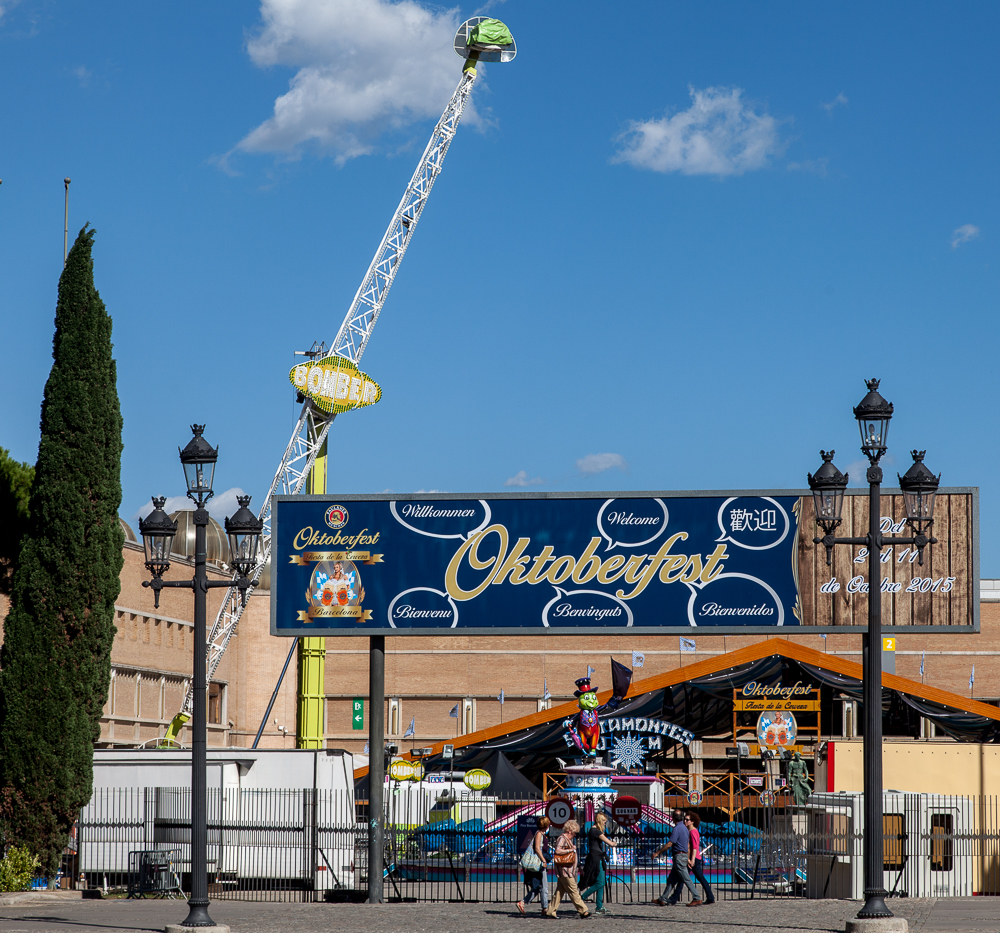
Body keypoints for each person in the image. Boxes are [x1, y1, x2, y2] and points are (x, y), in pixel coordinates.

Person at [651, 809, 699, 906]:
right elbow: (688, 844)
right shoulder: (685, 828)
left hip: (679, 856)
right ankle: (663, 898)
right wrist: (688, 858)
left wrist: (657, 853)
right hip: (683, 855)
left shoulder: (677, 829)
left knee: (686, 878)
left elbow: (670, 843)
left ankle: (697, 897)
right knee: (671, 879)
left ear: (672, 818)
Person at [545, 819, 589, 919]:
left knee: (559, 892)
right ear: (570, 831)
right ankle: (583, 911)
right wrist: (570, 849)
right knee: (573, 890)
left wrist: (578, 867)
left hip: (566, 870)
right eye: (574, 833)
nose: (575, 835)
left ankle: (551, 911)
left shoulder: (568, 839)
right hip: (565, 870)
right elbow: (557, 850)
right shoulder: (563, 838)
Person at [580, 812, 617, 916]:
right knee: (600, 883)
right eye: (604, 822)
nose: (605, 824)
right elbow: (609, 842)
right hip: (596, 859)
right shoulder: (595, 831)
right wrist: (615, 843)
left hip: (597, 857)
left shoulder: (594, 830)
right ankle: (581, 898)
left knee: (601, 882)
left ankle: (599, 906)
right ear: (600, 821)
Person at [517, 815, 551, 916]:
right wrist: (543, 860)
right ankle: (545, 908)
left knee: (538, 886)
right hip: (539, 863)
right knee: (544, 886)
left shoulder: (542, 834)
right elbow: (537, 848)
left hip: (540, 862)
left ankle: (522, 902)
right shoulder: (539, 834)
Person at [685, 812, 714, 906]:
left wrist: (692, 859)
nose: (685, 821)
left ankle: (674, 898)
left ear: (692, 821)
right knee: (699, 878)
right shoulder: (690, 831)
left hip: (694, 858)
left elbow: (694, 847)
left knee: (684, 878)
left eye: (687, 820)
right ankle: (710, 897)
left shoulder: (693, 831)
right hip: (694, 857)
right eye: (684, 819)